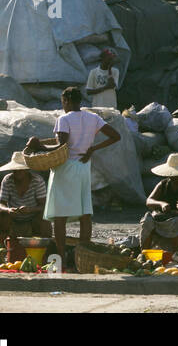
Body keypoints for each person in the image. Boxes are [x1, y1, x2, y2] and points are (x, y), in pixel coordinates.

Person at [28, 87, 120, 266]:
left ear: (67, 101)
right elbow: (115, 136)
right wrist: (92, 149)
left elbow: (60, 147)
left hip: (65, 168)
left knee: (60, 216)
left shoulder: (64, 119)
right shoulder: (92, 118)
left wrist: (37, 145)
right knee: (85, 214)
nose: (63, 106)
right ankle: (82, 256)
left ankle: (61, 256)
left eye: (63, 102)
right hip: (83, 167)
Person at [0, 151, 51, 245]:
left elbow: (44, 206)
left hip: (32, 220)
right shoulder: (7, 180)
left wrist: (30, 210)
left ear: (26, 170)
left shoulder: (37, 181)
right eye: (15, 170)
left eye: (20, 169)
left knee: (45, 219)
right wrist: (8, 210)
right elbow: (0, 205)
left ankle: (45, 249)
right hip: (12, 220)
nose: (17, 172)